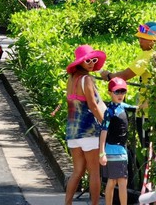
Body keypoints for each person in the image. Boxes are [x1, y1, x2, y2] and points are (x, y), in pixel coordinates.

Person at [100, 21, 156, 148]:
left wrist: (109, 76)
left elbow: (126, 75)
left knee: (148, 148)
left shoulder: (148, 55)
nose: (140, 41)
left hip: (146, 112)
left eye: (144, 38)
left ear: (153, 41)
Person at [65, 44, 107, 205]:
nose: (91, 63)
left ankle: (67, 203)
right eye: (87, 60)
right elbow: (93, 105)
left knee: (77, 171)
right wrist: (106, 123)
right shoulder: (87, 79)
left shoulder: (72, 79)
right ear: (80, 62)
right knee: (94, 173)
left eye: (93, 60)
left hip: (72, 132)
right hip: (89, 131)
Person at [99, 77, 130, 205]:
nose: (120, 95)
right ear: (109, 93)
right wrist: (102, 153)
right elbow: (104, 131)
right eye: (117, 92)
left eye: (123, 91)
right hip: (115, 150)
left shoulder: (123, 106)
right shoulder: (109, 112)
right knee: (121, 181)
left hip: (119, 149)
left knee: (113, 180)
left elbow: (138, 107)